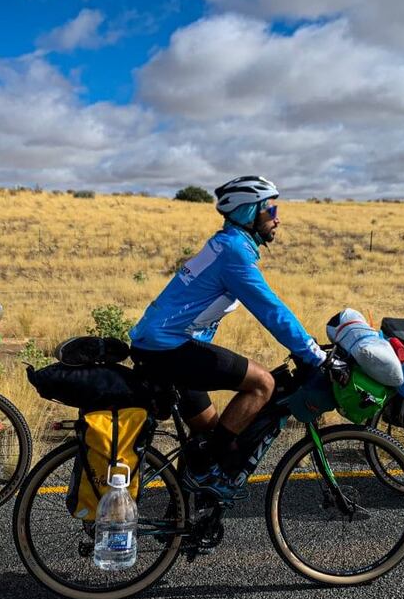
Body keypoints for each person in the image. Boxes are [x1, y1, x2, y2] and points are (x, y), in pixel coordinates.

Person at [129, 176, 327, 501]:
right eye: (271, 209)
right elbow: (271, 310)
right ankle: (204, 474)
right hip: (169, 347)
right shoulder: (234, 253)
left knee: (208, 434)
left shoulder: (225, 244)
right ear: (249, 212)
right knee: (263, 383)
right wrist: (312, 353)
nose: (277, 217)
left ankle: (184, 514)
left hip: (159, 344)